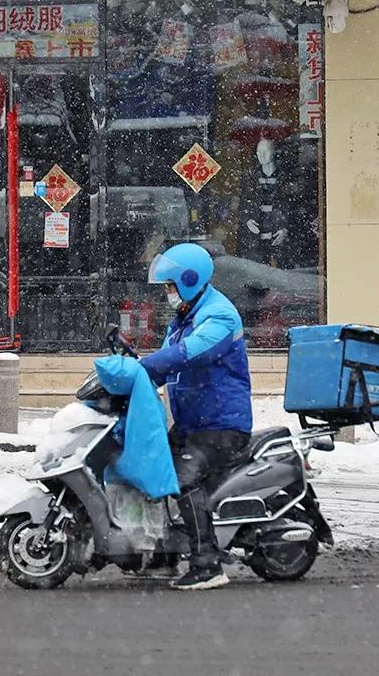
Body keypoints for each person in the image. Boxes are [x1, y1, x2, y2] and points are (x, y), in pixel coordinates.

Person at [139, 243, 253, 591]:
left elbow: (190, 353)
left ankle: (207, 563)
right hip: (193, 425)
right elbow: (167, 359)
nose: (168, 293)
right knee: (149, 465)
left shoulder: (219, 315)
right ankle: (166, 553)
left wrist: (147, 365)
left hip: (221, 426)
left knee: (183, 477)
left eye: (170, 286)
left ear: (189, 280)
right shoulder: (183, 318)